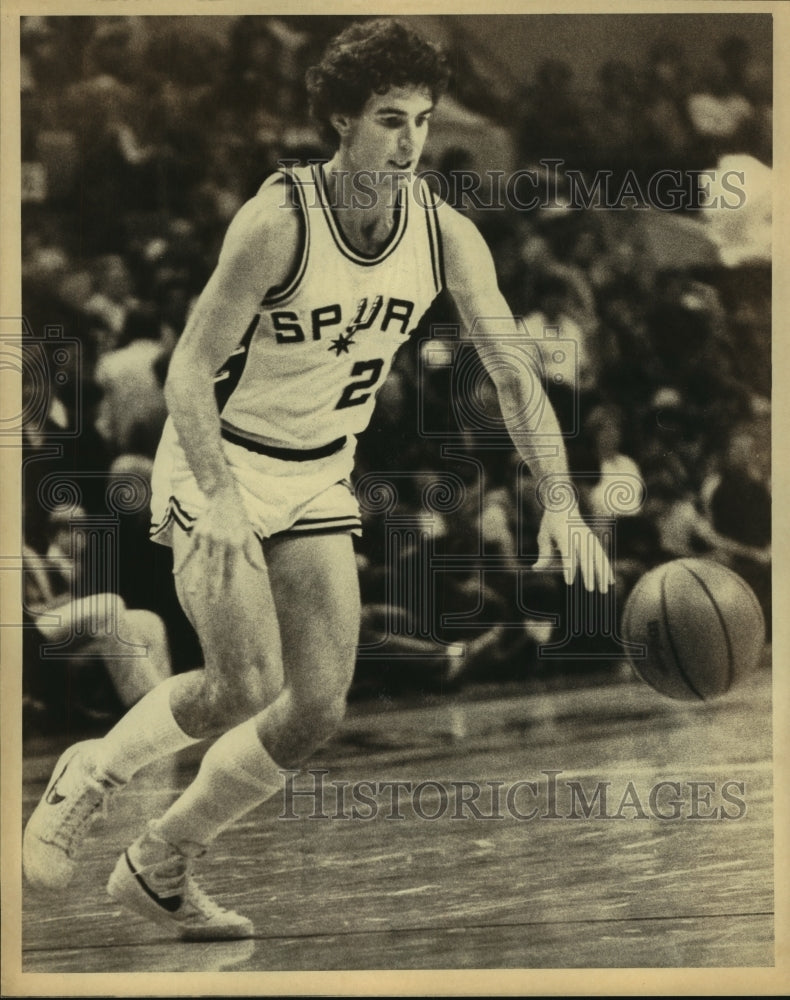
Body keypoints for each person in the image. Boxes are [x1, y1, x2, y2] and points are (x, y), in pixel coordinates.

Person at [23, 19, 613, 940]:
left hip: (317, 472)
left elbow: (512, 374)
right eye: (388, 118)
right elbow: (187, 370)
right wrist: (218, 494)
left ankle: (161, 864)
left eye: (421, 119)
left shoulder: (446, 234)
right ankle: (91, 771)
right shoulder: (277, 221)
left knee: (315, 708)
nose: (411, 140)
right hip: (216, 454)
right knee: (240, 682)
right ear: (340, 121)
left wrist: (564, 503)